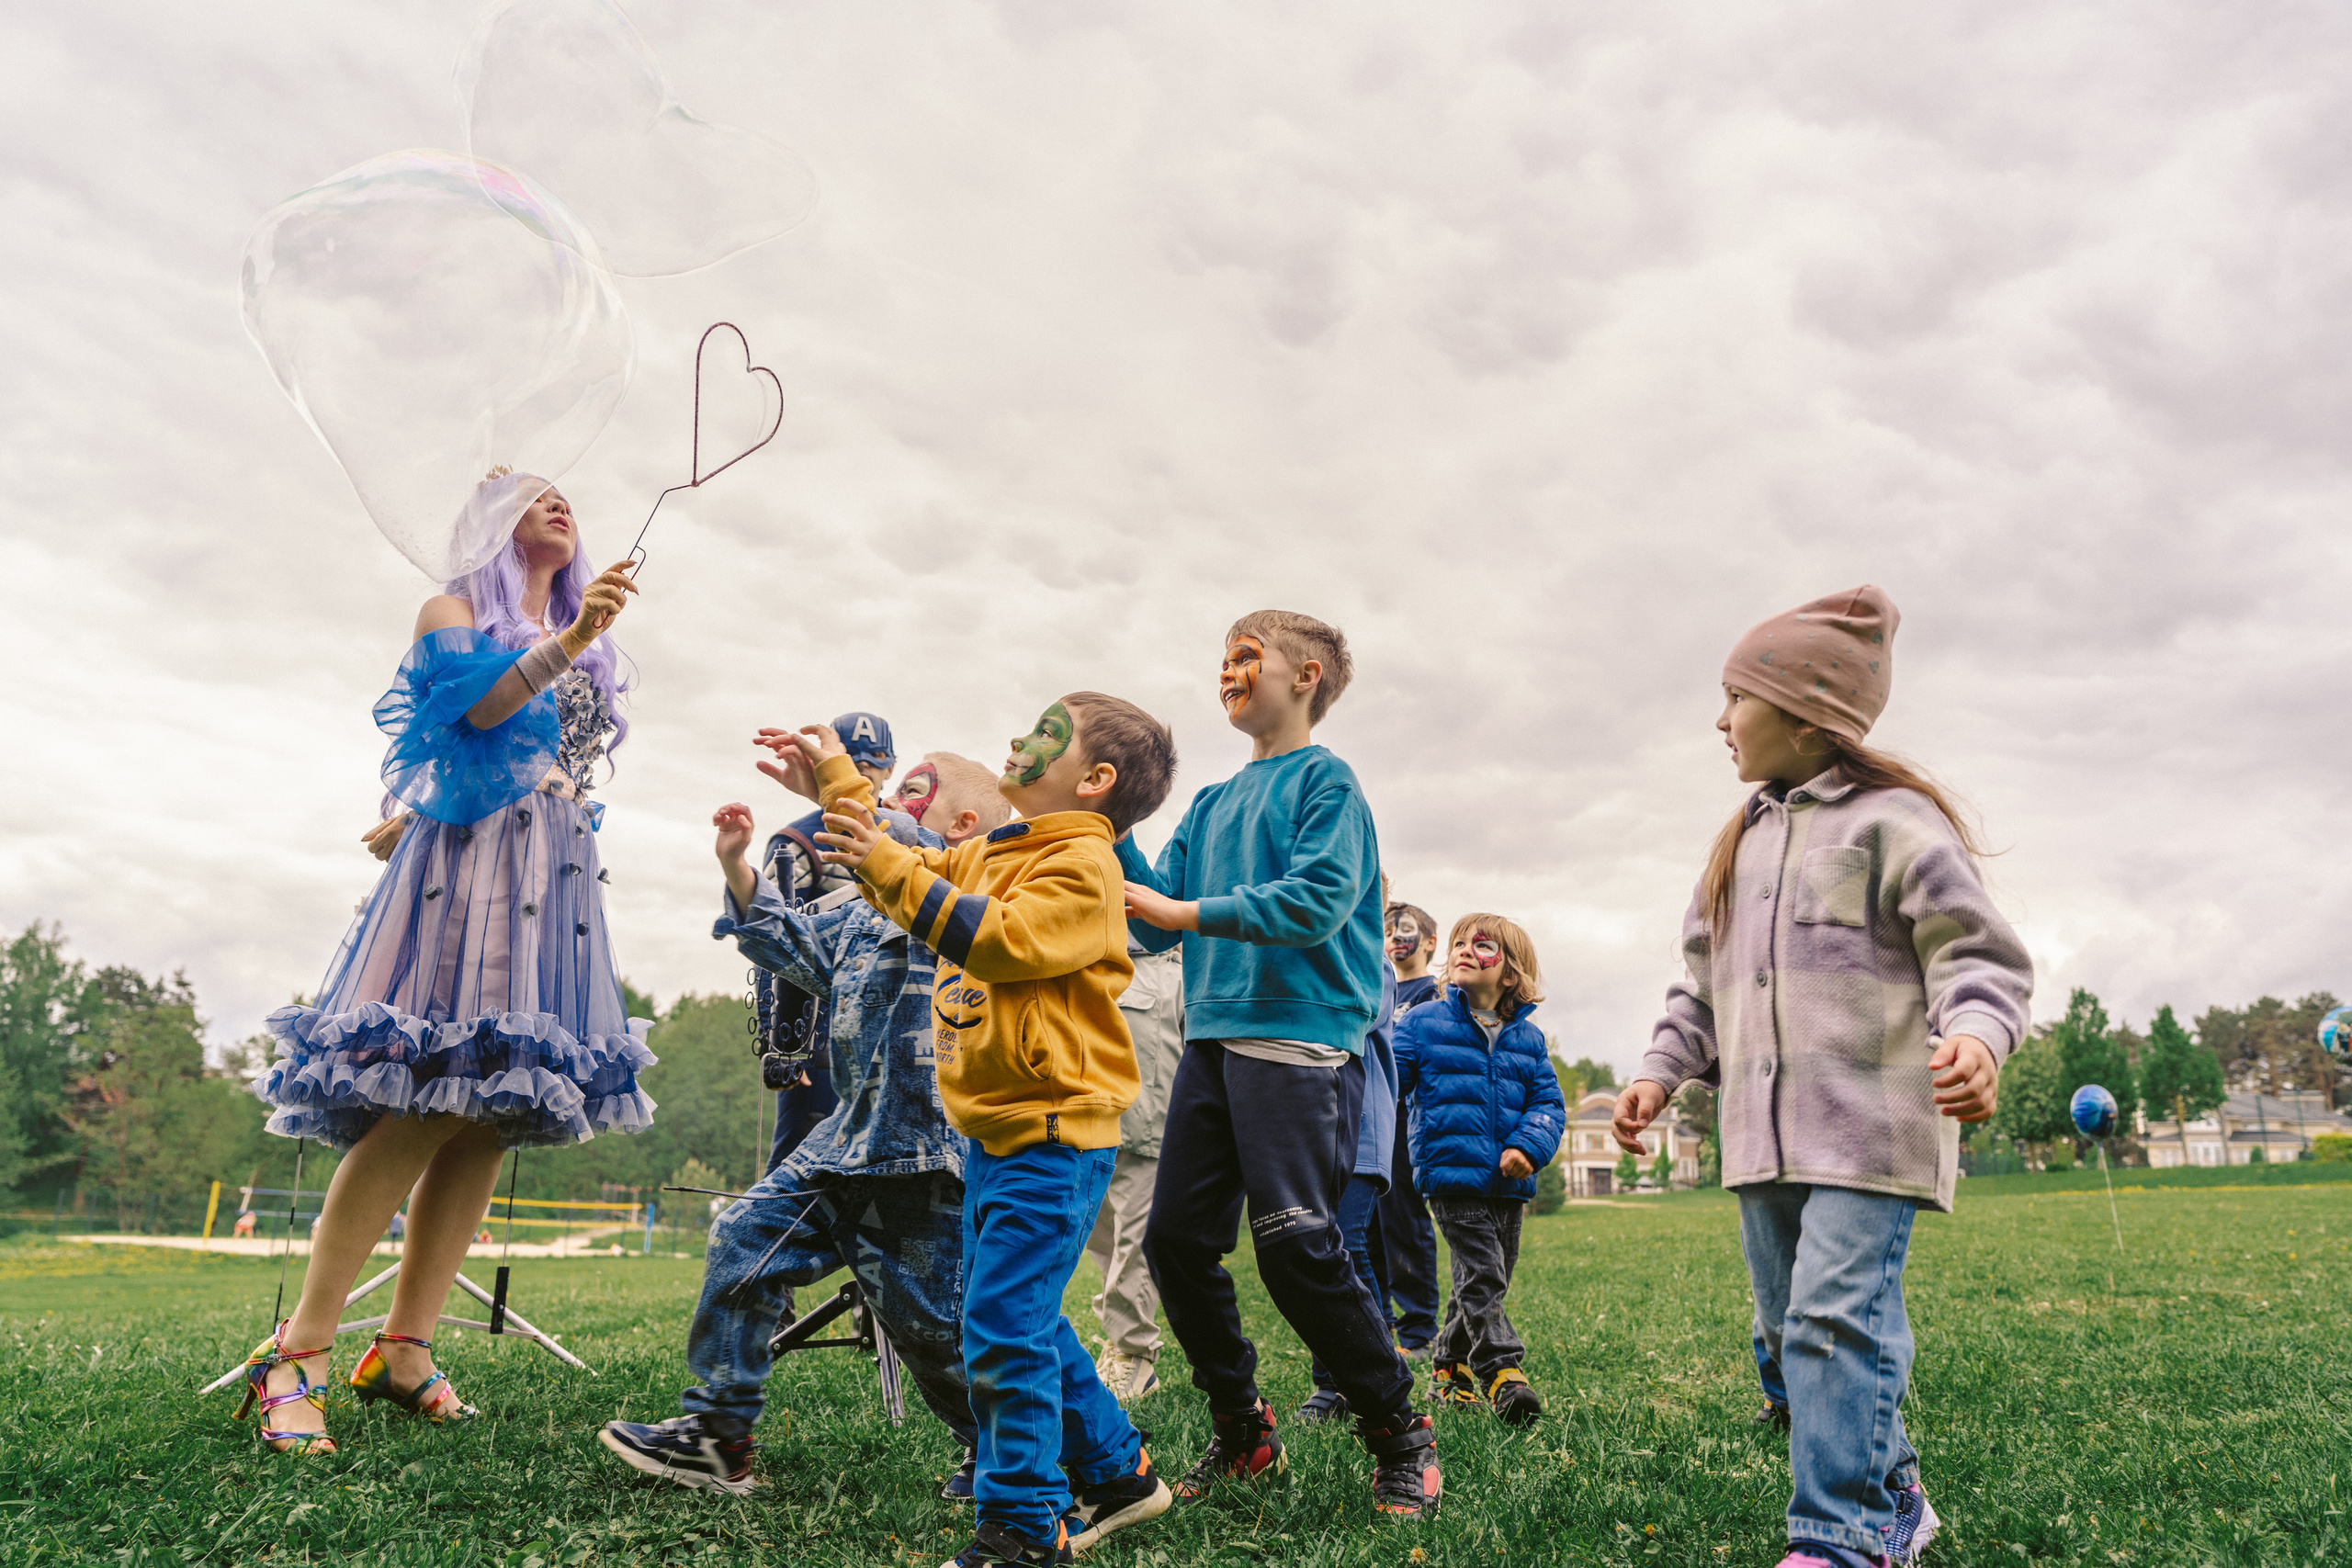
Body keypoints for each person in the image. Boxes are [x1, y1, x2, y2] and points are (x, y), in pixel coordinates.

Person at [1613, 585, 2032, 1568]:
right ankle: (1894, 1491)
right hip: (1763, 1145)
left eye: (1734, 698)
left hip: (1874, 1131)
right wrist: (1658, 1074)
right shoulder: (1740, 842)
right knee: (1784, 1331)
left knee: (1834, 1322)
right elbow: (1702, 992)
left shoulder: (1895, 823)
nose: (1719, 722)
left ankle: (1842, 1535)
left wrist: (1975, 1038)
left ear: (1805, 715)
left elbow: (1977, 956)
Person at [240, 469, 654, 1454]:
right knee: (424, 1100)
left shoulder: (578, 630)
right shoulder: (452, 608)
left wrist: (575, 646)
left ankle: (407, 1347)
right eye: (535, 494)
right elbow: (469, 717)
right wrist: (572, 639)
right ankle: (296, 1354)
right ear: (488, 524)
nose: (563, 504)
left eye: (569, 497)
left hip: (548, 869)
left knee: (490, 1116)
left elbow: (541, 758)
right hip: (466, 868)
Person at [807, 694, 1180, 1568]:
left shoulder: (1083, 868)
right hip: (995, 1128)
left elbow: (999, 941)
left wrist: (895, 868)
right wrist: (832, 771)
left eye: (1046, 733)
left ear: (1094, 780)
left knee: (1002, 1323)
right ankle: (1121, 1475)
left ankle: (1023, 1524)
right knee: (1024, 1316)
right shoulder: (999, 848)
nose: (1018, 738)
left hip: (1054, 1132)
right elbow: (899, 858)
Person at [594, 752, 1011, 1497]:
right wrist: (738, 868)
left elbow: (910, 854)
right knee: (741, 1239)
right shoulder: (854, 915)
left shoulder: (970, 897)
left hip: (919, 1153)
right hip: (840, 1143)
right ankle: (718, 1436)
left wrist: (837, 792)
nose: (886, 801)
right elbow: (782, 939)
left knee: (934, 1333)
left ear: (966, 827)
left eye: (911, 793)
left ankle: (1004, 1452)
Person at [1122, 610, 1440, 1522]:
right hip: (1214, 1043)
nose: (1226, 671)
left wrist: (1184, 917)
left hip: (1298, 1041)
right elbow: (1152, 913)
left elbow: (1313, 901)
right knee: (1176, 1243)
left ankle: (1395, 1428)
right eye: (1220, 658)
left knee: (1298, 1245)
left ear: (1303, 677)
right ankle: (1244, 1429)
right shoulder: (1213, 803)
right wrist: (1104, 830)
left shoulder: (1325, 784)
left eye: (1244, 657)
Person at [1393, 915, 1565, 1427]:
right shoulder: (1423, 1024)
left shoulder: (1528, 1039)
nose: (1465, 950)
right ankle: (1500, 1368)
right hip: (1450, 1173)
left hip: (1509, 1182)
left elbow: (1549, 1103)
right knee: (1483, 1271)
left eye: (1481, 945)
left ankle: (1447, 1366)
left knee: (1487, 1275)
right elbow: (1386, 1082)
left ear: (1509, 974)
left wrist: (1528, 1147)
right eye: (1460, 943)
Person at [747, 711, 900, 1173]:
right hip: (818, 1029)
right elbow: (773, 943)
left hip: (892, 1026)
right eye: (854, 762)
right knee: (799, 1158)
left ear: (890, 767)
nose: (865, 773)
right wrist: (784, 1045)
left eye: (875, 763)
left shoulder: (903, 834)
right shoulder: (795, 842)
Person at [1295, 957, 1398, 1425]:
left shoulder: (1374, 964)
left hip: (1361, 1135)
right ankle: (1350, 1372)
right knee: (1318, 1248)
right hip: (1317, 1132)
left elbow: (1349, 1013)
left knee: (1345, 1248)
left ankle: (1349, 1379)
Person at [1085, 938, 1185, 1404]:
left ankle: (1135, 1354)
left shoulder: (1174, 968)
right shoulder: (1091, 953)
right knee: (1102, 1240)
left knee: (1133, 1244)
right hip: (1090, 1123)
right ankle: (1118, 1339)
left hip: (1147, 1128)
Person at [1376, 898, 1442, 1361]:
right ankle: (1382, 1324)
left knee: (1404, 1222)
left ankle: (1419, 1331)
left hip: (1409, 1126)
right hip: (1372, 1121)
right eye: (1390, 931)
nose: (1397, 938)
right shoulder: (1378, 990)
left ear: (1430, 942)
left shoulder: (1435, 996)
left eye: (1406, 930)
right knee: (1369, 1226)